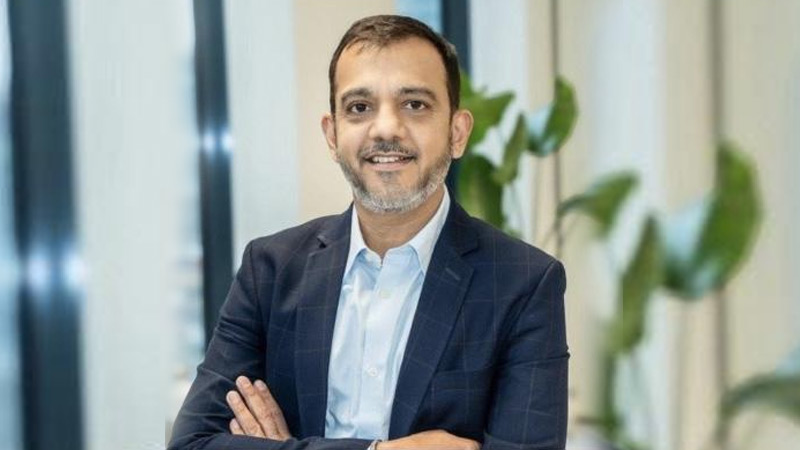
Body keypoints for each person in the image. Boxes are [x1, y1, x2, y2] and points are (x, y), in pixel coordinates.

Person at [168, 14, 568, 450]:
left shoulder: (523, 283)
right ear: (332, 134)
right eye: (360, 108)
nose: (386, 128)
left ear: (457, 133)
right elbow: (192, 443)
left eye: (415, 104)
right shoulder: (270, 270)